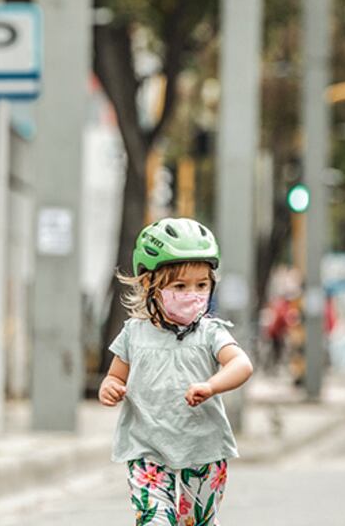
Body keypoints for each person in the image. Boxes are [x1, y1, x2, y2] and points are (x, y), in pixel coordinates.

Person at [98, 218, 254, 526]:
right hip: (147, 451)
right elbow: (115, 376)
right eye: (180, 286)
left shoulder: (211, 333)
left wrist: (211, 386)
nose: (191, 294)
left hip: (203, 450)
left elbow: (241, 365)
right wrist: (110, 388)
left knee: (195, 522)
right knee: (155, 520)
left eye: (201, 285)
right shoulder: (134, 334)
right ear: (148, 284)